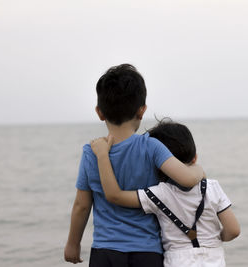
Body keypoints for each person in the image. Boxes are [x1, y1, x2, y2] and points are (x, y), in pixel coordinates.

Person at [64, 64, 204, 267]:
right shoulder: (151, 147)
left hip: (105, 251)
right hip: (147, 252)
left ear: (99, 112)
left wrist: (73, 243)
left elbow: (82, 205)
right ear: (142, 110)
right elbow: (187, 180)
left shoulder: (92, 152)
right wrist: (198, 170)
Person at [90, 118, 240, 267]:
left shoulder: (159, 194)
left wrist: (102, 155)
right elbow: (233, 230)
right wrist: (216, 238)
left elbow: (115, 196)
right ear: (195, 158)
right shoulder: (212, 187)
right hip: (214, 259)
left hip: (177, 260)